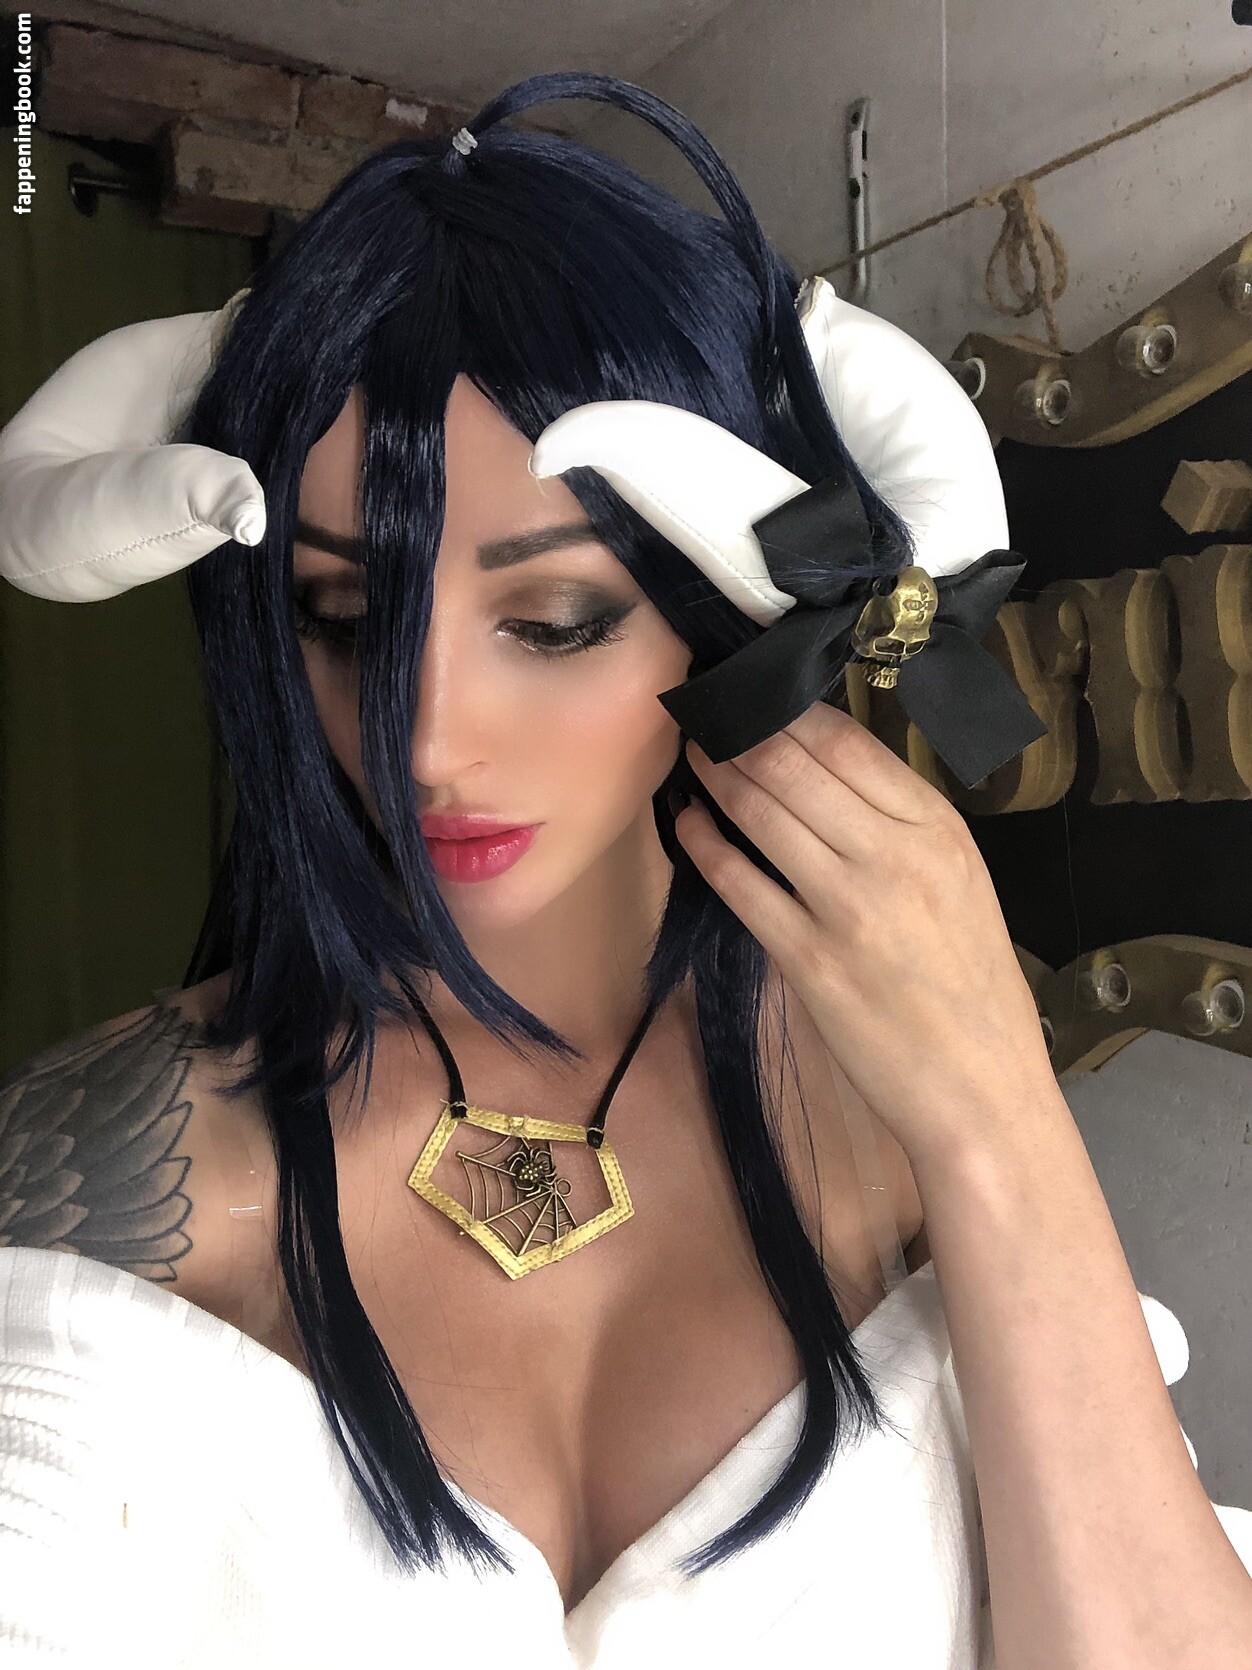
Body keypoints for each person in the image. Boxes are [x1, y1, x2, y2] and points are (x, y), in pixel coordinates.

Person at [1, 68, 1247, 1670]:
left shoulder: (907, 1123)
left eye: (555, 619)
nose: (427, 739)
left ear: (718, 612)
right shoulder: (112, 1155)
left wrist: (1000, 1118)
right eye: (342, 617)